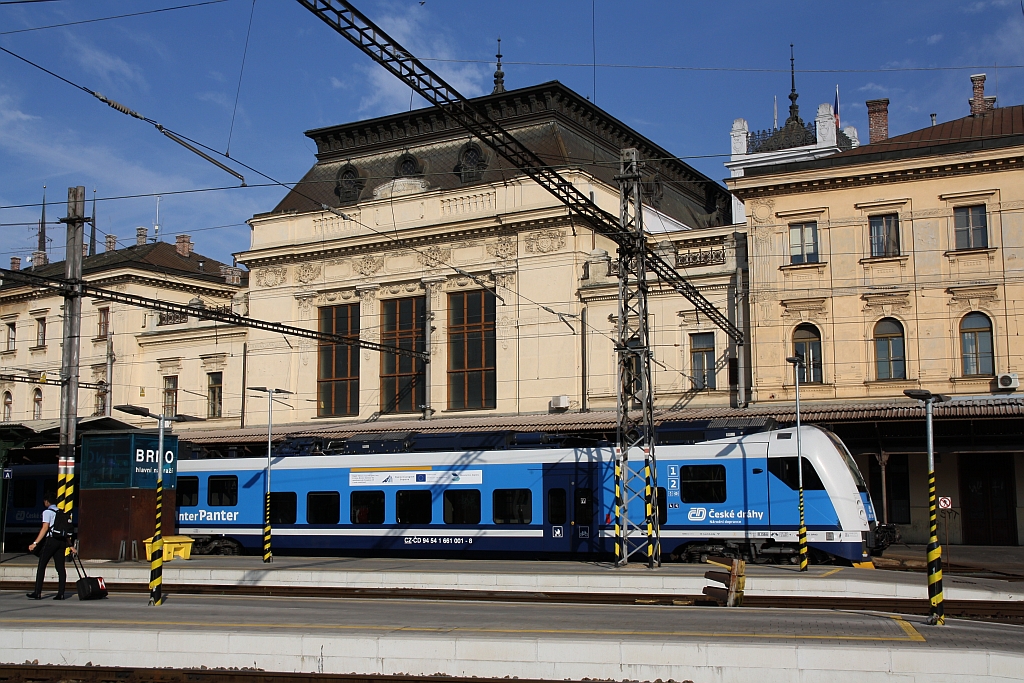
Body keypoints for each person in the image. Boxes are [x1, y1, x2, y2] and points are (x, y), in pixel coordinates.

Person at [26, 493, 74, 600]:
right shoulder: (61, 512)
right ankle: (61, 594)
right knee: (60, 568)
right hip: (61, 542)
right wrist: (70, 545)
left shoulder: (47, 512)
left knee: (42, 565)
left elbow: (45, 528)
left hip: (51, 541)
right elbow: (65, 532)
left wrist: (35, 543)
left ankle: (37, 592)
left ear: (47, 502)